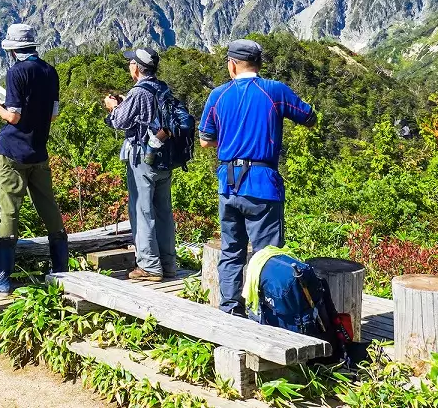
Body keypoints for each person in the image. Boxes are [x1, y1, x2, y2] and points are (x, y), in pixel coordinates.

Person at [198, 39, 317, 316]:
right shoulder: (274, 91)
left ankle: (230, 310)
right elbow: (309, 117)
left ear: (232, 65)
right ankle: (263, 314)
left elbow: (205, 140)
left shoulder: (217, 95)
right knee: (266, 256)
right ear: (259, 64)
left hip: (227, 183)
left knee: (231, 252)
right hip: (263, 184)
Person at [0, 23, 67, 293]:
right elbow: (53, 115)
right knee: (48, 207)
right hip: (38, 151)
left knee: (9, 211)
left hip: (12, 152)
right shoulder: (50, 71)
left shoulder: (16, 73)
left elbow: (13, 116)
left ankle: (3, 280)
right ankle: (61, 270)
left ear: (13, 50)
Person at [103, 48, 177, 282]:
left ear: (136, 67)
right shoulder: (162, 87)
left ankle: (148, 265)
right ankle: (168, 263)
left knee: (141, 209)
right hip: (165, 156)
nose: (129, 67)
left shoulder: (138, 91)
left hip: (143, 158)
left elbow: (119, 121)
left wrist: (112, 107)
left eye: (130, 63)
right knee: (163, 211)